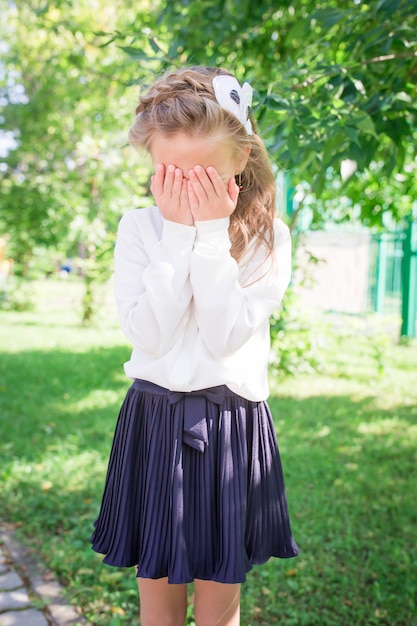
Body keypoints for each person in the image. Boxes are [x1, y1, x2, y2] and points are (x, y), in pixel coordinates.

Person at [91, 65, 299, 626]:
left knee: (219, 588)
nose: (186, 187)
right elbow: (149, 334)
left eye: (204, 173)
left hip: (231, 425)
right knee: (156, 583)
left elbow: (225, 334)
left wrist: (209, 234)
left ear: (242, 160)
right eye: (170, 172)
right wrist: (178, 235)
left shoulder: (266, 238)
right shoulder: (139, 229)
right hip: (155, 418)